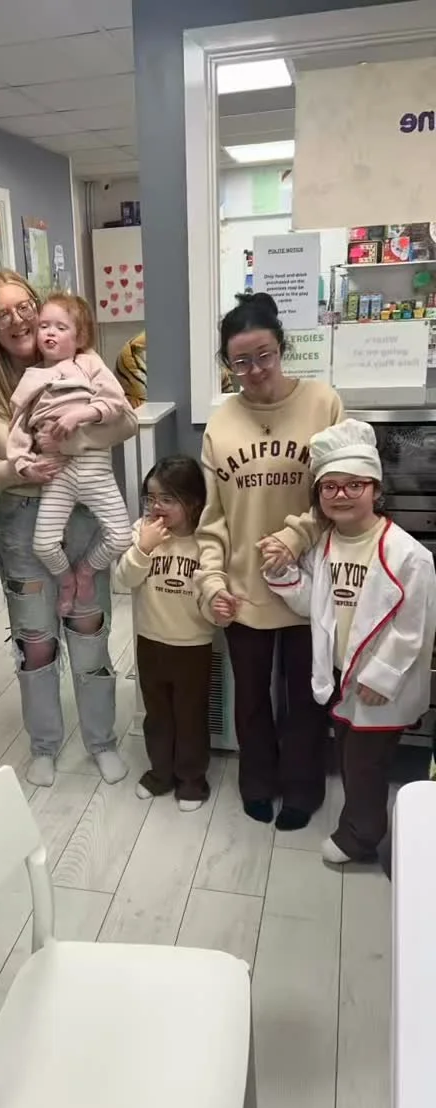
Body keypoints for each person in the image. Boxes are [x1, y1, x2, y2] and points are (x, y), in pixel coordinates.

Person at [0, 270, 138, 789]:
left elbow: (124, 421)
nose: (19, 320)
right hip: (24, 521)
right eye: (2, 314)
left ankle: (101, 741)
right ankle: (44, 744)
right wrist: (19, 468)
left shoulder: (82, 364)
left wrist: (72, 433)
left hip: (82, 516)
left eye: (25, 307)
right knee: (36, 643)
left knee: (88, 633)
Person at [196, 292, 343, 830]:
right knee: (252, 697)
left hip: (310, 582)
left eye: (264, 355)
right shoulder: (221, 424)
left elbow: (340, 491)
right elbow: (212, 520)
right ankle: (257, 782)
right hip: (244, 588)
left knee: (306, 695)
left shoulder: (322, 403)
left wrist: (296, 534)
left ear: (282, 347)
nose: (255, 370)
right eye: (241, 362)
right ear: (227, 364)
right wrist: (211, 582)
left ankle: (302, 787)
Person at [263, 419, 436, 864]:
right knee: (350, 754)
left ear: (376, 490)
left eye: (354, 485)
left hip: (381, 686)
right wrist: (283, 574)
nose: (341, 494)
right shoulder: (326, 545)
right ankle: (363, 824)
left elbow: (414, 628)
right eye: (330, 486)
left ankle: (360, 838)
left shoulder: (408, 555)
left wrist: (382, 675)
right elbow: (315, 604)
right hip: (343, 677)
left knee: (363, 764)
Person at [6, 293, 131, 616]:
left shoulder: (88, 363)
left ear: (80, 337)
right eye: (44, 326)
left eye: (61, 327)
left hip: (94, 467)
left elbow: (116, 403)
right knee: (43, 544)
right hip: (55, 472)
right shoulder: (31, 377)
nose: (50, 333)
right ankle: (66, 581)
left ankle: (86, 571)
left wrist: (81, 415)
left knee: (121, 537)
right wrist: (23, 463)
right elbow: (18, 426)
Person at [115, 457, 214, 810]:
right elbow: (123, 580)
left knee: (190, 716)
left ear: (194, 503)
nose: (157, 506)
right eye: (151, 498)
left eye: (168, 499)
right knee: (156, 714)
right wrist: (143, 548)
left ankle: (191, 780)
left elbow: (212, 597)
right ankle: (160, 773)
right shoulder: (143, 532)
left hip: (193, 645)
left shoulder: (207, 542)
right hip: (150, 640)